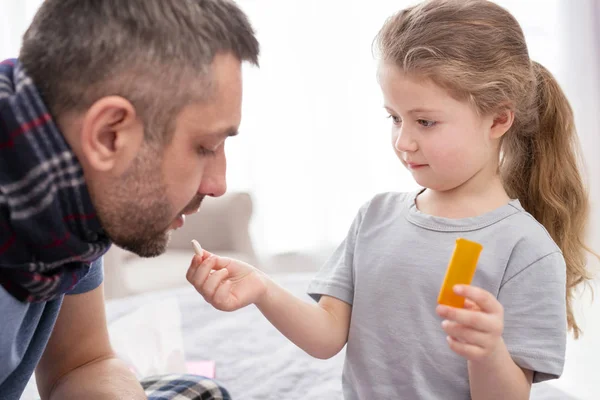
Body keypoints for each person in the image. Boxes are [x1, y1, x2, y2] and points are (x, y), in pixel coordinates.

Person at [186, 0, 596, 398]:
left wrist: (487, 350)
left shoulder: (527, 249)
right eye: (395, 118)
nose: (403, 141)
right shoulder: (375, 217)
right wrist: (261, 288)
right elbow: (327, 337)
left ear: (498, 119)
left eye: (425, 122)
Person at [0, 0, 259, 399]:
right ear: (109, 136)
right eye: (206, 147)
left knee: (198, 392)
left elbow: (82, 362)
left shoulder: (69, 196)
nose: (218, 184)